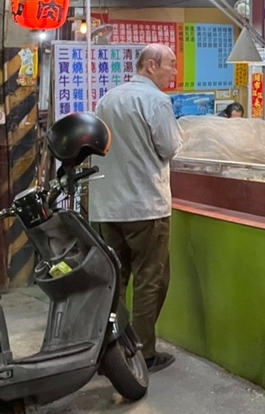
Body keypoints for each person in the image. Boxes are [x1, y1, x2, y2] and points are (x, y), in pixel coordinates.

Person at [91, 43, 182, 374]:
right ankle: (142, 354)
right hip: (145, 207)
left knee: (117, 280)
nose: (174, 71)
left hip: (106, 206)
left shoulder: (107, 99)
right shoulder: (156, 101)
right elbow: (170, 146)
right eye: (171, 64)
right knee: (151, 280)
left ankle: (111, 349)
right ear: (152, 65)